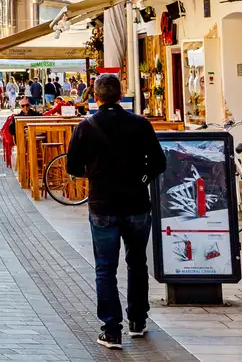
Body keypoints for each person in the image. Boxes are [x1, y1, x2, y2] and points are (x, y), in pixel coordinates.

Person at [66, 74, 167, 350]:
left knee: (105, 268)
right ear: (120, 95)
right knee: (137, 262)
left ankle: (111, 330)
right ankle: (137, 320)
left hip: (103, 206)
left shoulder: (86, 127)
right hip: (136, 205)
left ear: (95, 97)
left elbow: (72, 167)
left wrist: (94, 173)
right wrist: (143, 179)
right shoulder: (140, 124)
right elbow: (159, 162)